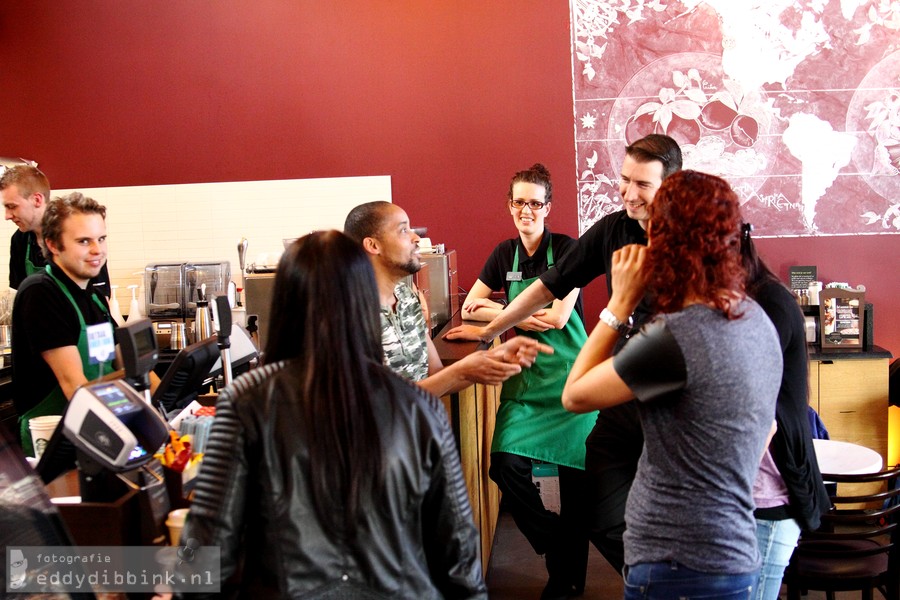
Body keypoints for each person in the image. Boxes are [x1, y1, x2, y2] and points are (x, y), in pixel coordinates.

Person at [180, 230, 488, 598]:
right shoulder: (419, 406)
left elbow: (206, 551)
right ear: (363, 300)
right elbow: (460, 555)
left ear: (284, 303)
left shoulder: (244, 400)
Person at [445, 134, 683, 574]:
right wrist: (493, 329)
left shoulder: (693, 239)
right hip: (617, 383)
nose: (630, 194)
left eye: (643, 185)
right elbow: (546, 289)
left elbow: (556, 317)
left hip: (672, 393)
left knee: (667, 510)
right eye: (624, 180)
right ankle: (649, 580)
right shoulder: (611, 231)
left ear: (671, 185)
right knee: (596, 507)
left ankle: (665, 579)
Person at [562, 170, 782, 598]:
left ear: (666, 243)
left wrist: (618, 304)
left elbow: (575, 394)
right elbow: (765, 429)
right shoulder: (757, 319)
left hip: (673, 561)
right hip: (735, 553)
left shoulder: (676, 337)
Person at [460, 164, 593, 599]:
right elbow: (468, 307)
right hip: (528, 376)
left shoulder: (569, 249)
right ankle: (559, 549)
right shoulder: (504, 255)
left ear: (548, 208)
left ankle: (566, 581)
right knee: (504, 463)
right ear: (510, 206)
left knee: (573, 483)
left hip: (572, 379)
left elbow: (558, 318)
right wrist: (508, 316)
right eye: (519, 202)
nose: (526, 210)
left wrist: (500, 316)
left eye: (535, 203)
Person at [343, 200, 552, 398]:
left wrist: (490, 363)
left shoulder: (407, 298)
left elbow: (435, 377)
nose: (416, 239)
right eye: (403, 230)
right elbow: (381, 401)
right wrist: (461, 370)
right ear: (373, 245)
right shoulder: (349, 313)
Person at [742, 224, 830, 600]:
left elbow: (753, 402)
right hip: (741, 495)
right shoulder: (730, 303)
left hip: (772, 491)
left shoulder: (770, 302)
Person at [11, 192, 115, 456]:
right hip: (57, 437)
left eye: (101, 239)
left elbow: (127, 360)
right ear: (54, 245)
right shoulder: (41, 294)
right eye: (84, 241)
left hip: (95, 428)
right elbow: (74, 385)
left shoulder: (93, 296)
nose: (97, 250)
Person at [1, 164, 110, 295]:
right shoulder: (20, 239)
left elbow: (100, 297)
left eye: (12, 206)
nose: (7, 216)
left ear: (37, 200)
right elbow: (17, 292)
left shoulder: (76, 232)